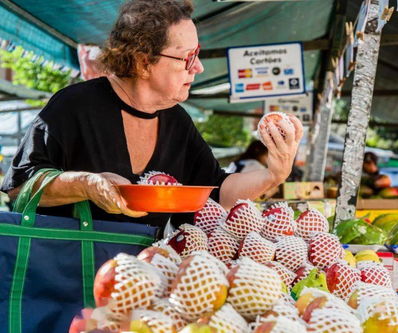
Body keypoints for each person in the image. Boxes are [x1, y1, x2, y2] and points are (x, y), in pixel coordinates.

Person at [0, 0, 302, 231]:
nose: (198, 68)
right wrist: (87, 185)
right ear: (144, 62)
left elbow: (218, 191)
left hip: (143, 284)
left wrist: (273, 173)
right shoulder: (74, 105)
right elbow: (18, 189)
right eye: (188, 57)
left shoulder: (177, 121)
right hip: (64, 283)